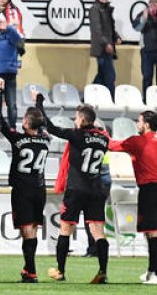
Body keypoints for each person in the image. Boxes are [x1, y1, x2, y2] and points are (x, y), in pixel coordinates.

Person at [44, 104, 111, 284]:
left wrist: (39, 105)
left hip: (76, 189)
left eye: (75, 118)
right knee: (98, 232)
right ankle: (103, 271)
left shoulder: (76, 135)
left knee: (65, 228)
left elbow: (50, 128)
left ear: (82, 119)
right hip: (96, 190)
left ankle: (60, 270)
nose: (74, 121)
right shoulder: (104, 139)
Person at [0, 83, 51, 283]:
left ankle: (32, 272)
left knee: (26, 231)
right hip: (39, 189)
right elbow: (42, 122)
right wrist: (39, 101)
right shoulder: (45, 139)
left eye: (24, 120)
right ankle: (28, 269)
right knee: (32, 229)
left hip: (23, 190)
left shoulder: (18, 140)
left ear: (26, 122)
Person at [109, 110, 157, 284]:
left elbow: (113, 145)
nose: (136, 124)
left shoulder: (137, 141)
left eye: (138, 121)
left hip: (149, 190)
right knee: (154, 232)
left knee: (152, 233)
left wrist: (99, 134)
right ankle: (151, 270)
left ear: (146, 125)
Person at [88, 0, 120, 91]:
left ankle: (88, 96)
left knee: (102, 75)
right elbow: (97, 30)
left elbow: (110, 28)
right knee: (110, 75)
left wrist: (116, 37)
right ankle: (112, 98)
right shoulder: (95, 9)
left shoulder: (107, 10)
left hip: (108, 47)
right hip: (101, 48)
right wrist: (106, 44)